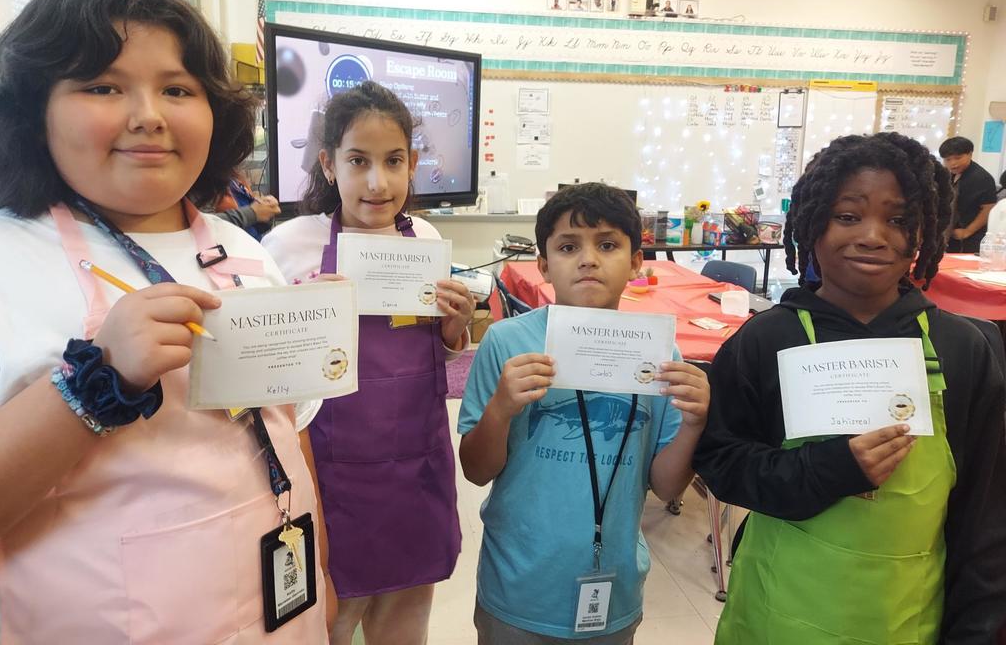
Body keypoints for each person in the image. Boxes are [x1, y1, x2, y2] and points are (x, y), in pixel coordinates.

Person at [0, 0, 334, 642]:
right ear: (35, 109)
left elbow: (291, 431)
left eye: (177, 89)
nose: (149, 114)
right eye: (103, 86)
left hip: (283, 608)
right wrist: (96, 383)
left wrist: (324, 576)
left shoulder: (243, 249)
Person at [694, 132, 1006, 644]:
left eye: (899, 219)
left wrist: (976, 630)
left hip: (905, 619)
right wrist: (831, 469)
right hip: (778, 611)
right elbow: (722, 464)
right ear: (813, 225)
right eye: (847, 216)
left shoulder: (963, 348)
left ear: (924, 230)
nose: (873, 235)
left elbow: (985, 518)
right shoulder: (769, 338)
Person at [261, 80, 473, 645]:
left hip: (416, 467)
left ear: (413, 164)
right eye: (358, 161)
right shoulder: (288, 246)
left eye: (393, 161)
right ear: (329, 165)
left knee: (406, 616)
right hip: (332, 477)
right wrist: (303, 314)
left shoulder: (424, 238)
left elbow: (442, 355)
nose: (377, 182)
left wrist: (455, 324)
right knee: (332, 617)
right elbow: (266, 374)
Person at [458, 182, 711, 643]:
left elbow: (667, 486)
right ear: (543, 264)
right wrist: (500, 409)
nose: (589, 259)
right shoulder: (506, 342)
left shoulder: (658, 352)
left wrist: (695, 424)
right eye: (569, 246)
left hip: (616, 582)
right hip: (518, 586)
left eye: (609, 245)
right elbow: (475, 471)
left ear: (637, 262)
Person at [938, 135, 997, 253]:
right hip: (951, 236)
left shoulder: (981, 178)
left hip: (970, 239)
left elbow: (988, 208)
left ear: (970, 154)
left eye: (958, 158)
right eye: (948, 160)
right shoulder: (948, 174)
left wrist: (967, 231)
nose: (953, 163)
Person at [213, 171, 281, 240]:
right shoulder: (209, 185)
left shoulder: (235, 179)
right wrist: (253, 213)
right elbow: (208, 224)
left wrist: (265, 211)